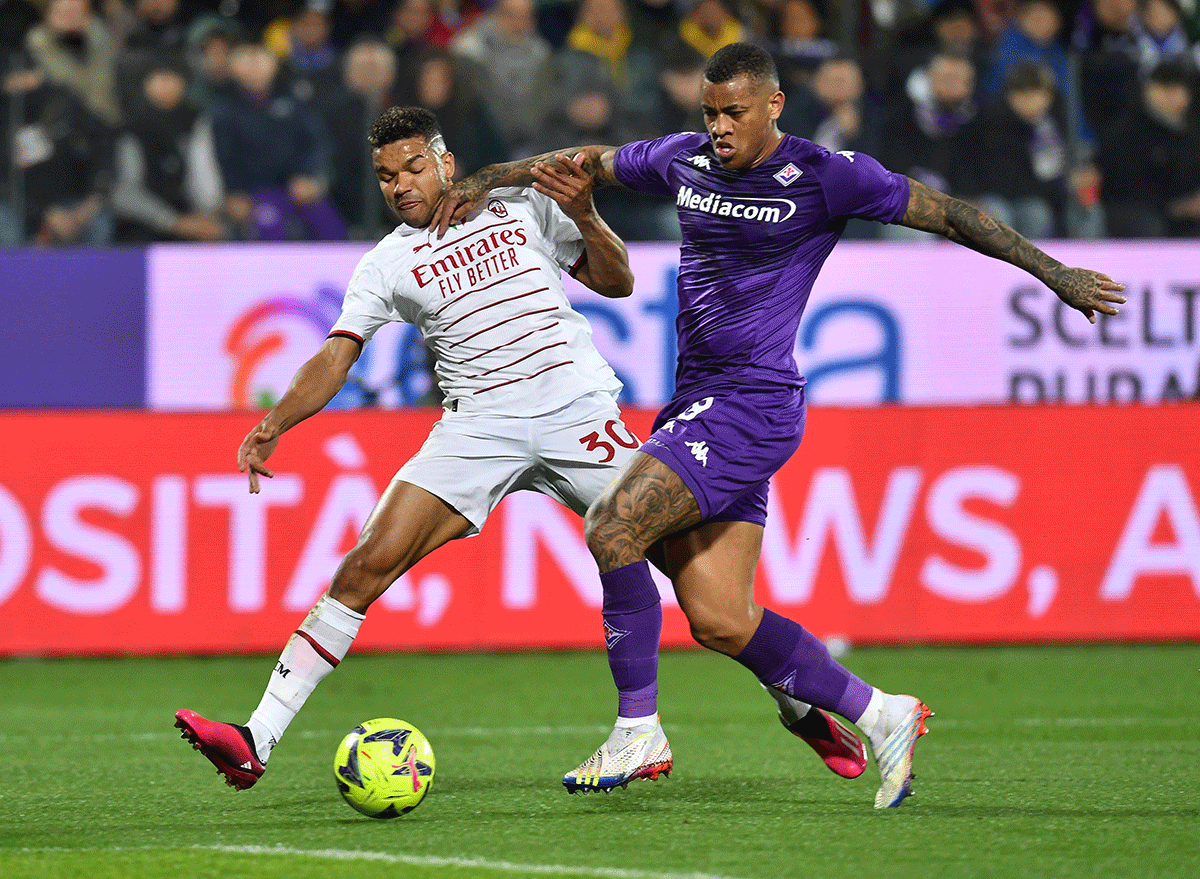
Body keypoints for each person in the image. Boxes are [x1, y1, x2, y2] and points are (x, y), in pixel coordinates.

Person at [433, 42, 1126, 808]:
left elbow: (949, 214)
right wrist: (486, 179)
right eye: (709, 112)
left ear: (773, 106)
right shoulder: (682, 159)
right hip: (700, 398)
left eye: (733, 112)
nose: (719, 127)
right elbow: (588, 160)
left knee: (612, 527)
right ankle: (882, 712)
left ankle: (638, 727)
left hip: (751, 400)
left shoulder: (830, 175)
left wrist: (1053, 271)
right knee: (720, 617)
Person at [173, 105, 870, 792]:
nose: (401, 184)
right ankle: (255, 738)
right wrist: (277, 421)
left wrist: (590, 215)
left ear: (446, 162)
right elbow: (337, 354)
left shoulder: (519, 205)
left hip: (577, 412)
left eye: (414, 166)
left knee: (706, 596)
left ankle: (802, 706)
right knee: (364, 565)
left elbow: (618, 279)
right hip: (477, 428)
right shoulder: (385, 263)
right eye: (387, 176)